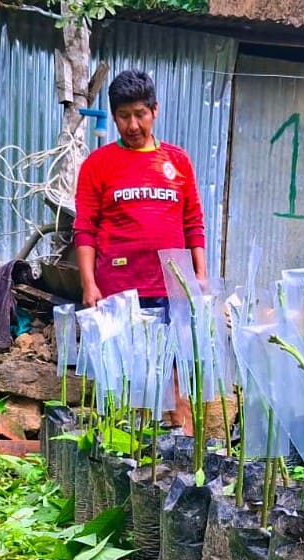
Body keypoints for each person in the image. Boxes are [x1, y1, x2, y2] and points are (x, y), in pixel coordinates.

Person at [73, 68, 206, 434]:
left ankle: (183, 449)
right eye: (124, 116)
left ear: (155, 111)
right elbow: (84, 228)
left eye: (140, 114)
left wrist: (201, 277)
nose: (133, 125)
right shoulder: (98, 165)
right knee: (126, 373)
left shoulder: (177, 162)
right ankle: (129, 453)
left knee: (178, 373)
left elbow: (194, 222)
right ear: (114, 116)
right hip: (119, 291)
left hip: (172, 289)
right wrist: (89, 284)